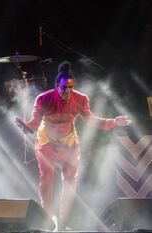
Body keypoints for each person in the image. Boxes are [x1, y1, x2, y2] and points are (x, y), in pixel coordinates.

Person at [15, 61, 131, 228]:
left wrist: (113, 122)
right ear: (56, 86)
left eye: (70, 87)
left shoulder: (81, 99)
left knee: (70, 181)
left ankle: (63, 219)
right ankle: (48, 217)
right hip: (46, 142)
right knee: (47, 178)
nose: (67, 91)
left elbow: (91, 120)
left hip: (68, 143)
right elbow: (34, 123)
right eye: (64, 87)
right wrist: (25, 126)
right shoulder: (43, 99)